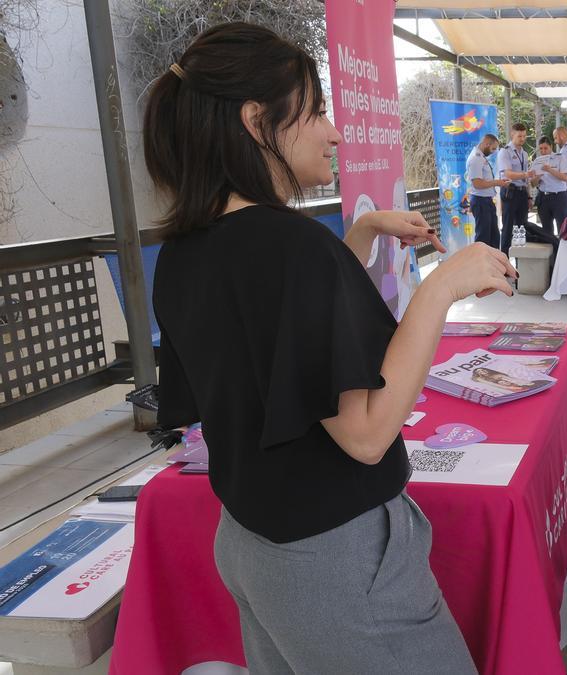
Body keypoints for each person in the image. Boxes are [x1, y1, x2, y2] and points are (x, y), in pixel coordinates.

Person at [144, 22, 517, 673]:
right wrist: (442, 287)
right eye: (315, 110)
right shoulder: (292, 247)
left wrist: (363, 233)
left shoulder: (184, 253)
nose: (334, 130)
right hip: (335, 562)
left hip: (251, 545)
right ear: (257, 121)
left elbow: (290, 353)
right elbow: (367, 433)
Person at [466, 133, 510, 249]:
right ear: (486, 144)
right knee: (483, 239)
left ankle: (494, 265)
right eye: (493, 148)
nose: (493, 151)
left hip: (486, 201)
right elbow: (477, 183)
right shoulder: (476, 158)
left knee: (494, 237)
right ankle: (481, 266)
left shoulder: (481, 157)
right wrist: (497, 183)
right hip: (480, 202)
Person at [496, 122, 532, 255]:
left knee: (521, 228)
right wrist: (525, 174)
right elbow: (508, 173)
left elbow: (526, 179)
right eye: (519, 136)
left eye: (524, 136)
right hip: (510, 193)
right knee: (507, 227)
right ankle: (504, 261)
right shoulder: (505, 151)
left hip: (522, 193)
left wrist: (529, 196)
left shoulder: (524, 153)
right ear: (512, 134)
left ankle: (520, 260)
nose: (522, 139)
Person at [531, 136, 567, 243]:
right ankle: (551, 256)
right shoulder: (537, 161)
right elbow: (532, 184)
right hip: (543, 197)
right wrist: (537, 177)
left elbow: (566, 178)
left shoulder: (560, 158)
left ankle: (562, 255)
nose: (543, 151)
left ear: (551, 147)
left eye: (546, 148)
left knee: (562, 228)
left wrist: (549, 170)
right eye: (541, 149)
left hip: (558, 197)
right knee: (546, 230)